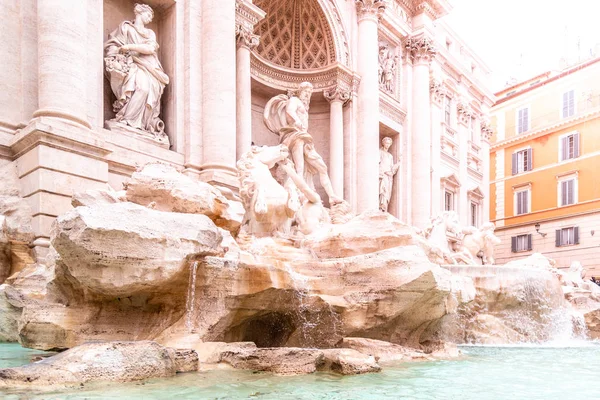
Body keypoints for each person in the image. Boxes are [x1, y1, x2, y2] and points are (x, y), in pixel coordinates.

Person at [264, 82, 342, 205]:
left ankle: (332, 196)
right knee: (299, 168)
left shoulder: (305, 107)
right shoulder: (294, 100)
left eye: (309, 93)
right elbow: (290, 110)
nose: (308, 96)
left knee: (322, 167)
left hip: (305, 138)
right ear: (300, 92)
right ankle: (299, 195)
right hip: (295, 136)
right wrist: (296, 120)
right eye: (306, 92)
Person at [104, 3, 169, 138]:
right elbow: (114, 44)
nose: (150, 19)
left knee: (146, 89)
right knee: (141, 88)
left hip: (149, 66)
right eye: (149, 15)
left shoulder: (149, 33)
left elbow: (150, 49)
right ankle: (127, 120)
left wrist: (129, 46)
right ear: (140, 12)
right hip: (131, 64)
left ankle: (140, 123)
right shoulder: (125, 28)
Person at [378, 137, 400, 212]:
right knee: (382, 192)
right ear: (383, 143)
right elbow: (377, 164)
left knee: (387, 194)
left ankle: (384, 210)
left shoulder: (390, 156)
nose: (387, 145)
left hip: (388, 177)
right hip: (382, 175)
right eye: (386, 143)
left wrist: (398, 163)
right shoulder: (379, 152)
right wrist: (382, 172)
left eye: (389, 144)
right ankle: (380, 208)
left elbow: (392, 168)